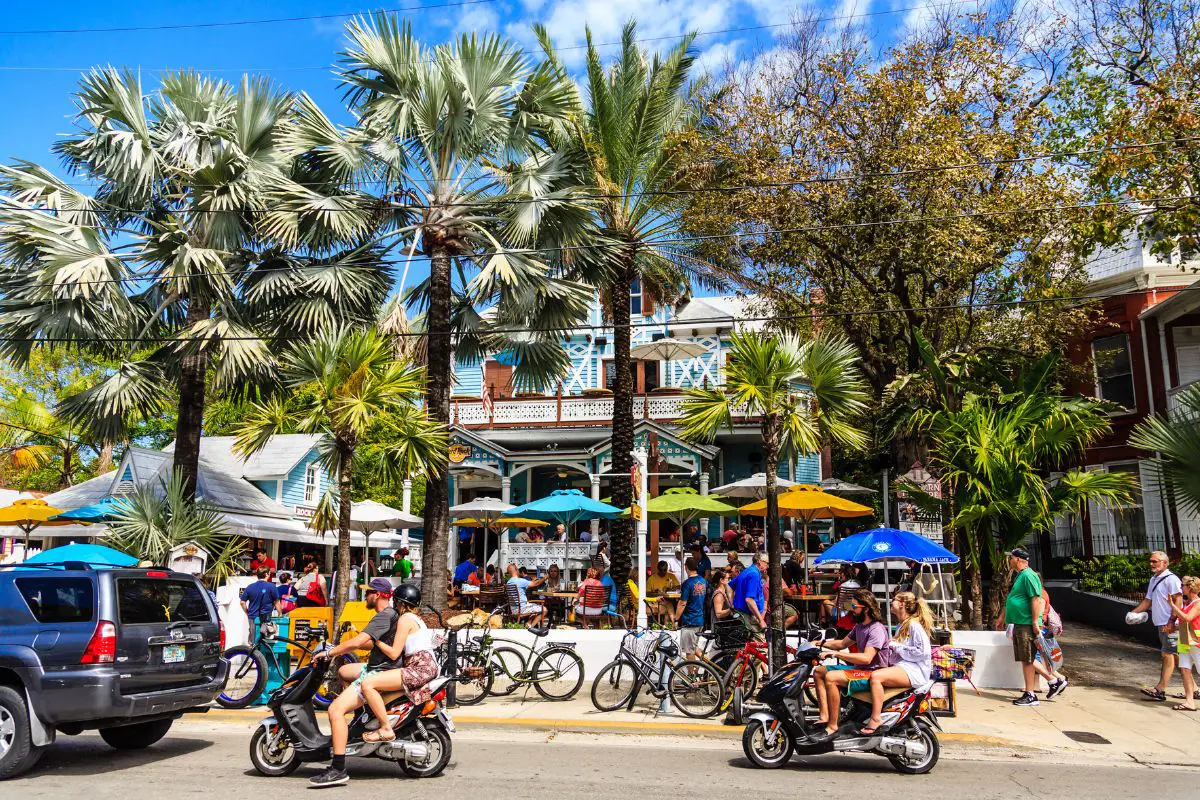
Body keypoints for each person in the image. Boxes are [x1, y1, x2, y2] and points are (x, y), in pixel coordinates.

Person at [308, 579, 402, 788]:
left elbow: (360, 642)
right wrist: (349, 641)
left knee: (335, 711)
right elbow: (369, 642)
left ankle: (338, 769)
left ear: (377, 594)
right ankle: (360, 716)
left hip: (378, 672)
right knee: (343, 671)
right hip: (378, 667)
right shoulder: (390, 615)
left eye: (368, 592)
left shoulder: (383, 615)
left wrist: (330, 652)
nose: (365, 595)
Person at [358, 583, 440, 744]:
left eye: (396, 602)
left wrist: (377, 641)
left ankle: (385, 728)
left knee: (368, 684)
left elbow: (394, 652)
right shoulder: (417, 619)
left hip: (419, 667)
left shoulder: (404, 619)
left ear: (400, 603)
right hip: (427, 665)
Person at [812, 589, 888, 738]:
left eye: (854, 607)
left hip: (871, 672)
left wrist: (837, 654)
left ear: (865, 609)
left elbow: (867, 658)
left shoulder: (876, 629)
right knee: (819, 672)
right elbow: (841, 643)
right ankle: (824, 717)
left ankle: (833, 726)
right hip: (860, 669)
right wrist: (819, 643)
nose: (851, 611)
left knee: (831, 678)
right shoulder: (859, 626)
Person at [859, 592, 934, 734]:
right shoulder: (902, 625)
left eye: (894, 599)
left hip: (914, 671)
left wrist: (896, 646)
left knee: (876, 677)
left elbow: (922, 652)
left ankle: (875, 719)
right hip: (904, 667)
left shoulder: (913, 625)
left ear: (902, 604)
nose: (891, 602)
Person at [1130, 551, 1183, 702]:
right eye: (1151, 561)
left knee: (1167, 655)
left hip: (1170, 625)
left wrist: (1172, 621)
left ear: (1165, 563)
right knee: (1177, 657)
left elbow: (1178, 601)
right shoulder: (1154, 579)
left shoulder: (1171, 579)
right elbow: (1148, 601)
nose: (1152, 564)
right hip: (1162, 624)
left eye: (1155, 561)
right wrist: (1132, 613)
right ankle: (1193, 689)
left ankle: (1159, 689)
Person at [995, 546, 1044, 707]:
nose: (1009, 561)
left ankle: (1030, 694)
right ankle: (1029, 692)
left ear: (1018, 559)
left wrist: (1035, 621)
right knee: (1025, 658)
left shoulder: (1029, 576)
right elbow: (1013, 599)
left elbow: (1036, 599)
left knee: (1028, 658)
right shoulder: (1021, 576)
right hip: (1019, 623)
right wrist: (1003, 617)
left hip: (1026, 623)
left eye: (1011, 558)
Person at [1170, 576, 1200, 712]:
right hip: (1185, 639)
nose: (1181, 588)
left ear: (1190, 588)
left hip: (1196, 641)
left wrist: (1172, 606)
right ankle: (1189, 702)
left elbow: (1187, 618)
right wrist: (1174, 628)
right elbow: (1186, 623)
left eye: (1183, 586)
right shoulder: (1188, 603)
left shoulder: (1198, 604)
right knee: (1185, 669)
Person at [675, 558, 708, 658]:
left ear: (686, 567)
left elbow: (682, 603)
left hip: (690, 620)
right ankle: (710, 667)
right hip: (700, 619)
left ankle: (691, 673)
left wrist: (676, 619)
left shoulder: (687, 583)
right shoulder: (703, 581)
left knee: (689, 651)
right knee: (694, 648)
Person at [731, 553, 767, 630]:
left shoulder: (747, 571)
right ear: (759, 562)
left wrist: (731, 603)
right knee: (759, 642)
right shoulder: (754, 574)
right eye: (767, 563)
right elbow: (749, 600)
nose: (768, 566)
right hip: (749, 616)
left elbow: (729, 585)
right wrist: (761, 620)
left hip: (742, 614)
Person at [240, 568, 281, 635]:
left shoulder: (250, 587)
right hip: (266, 616)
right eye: (269, 573)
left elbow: (242, 602)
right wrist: (280, 613)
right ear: (266, 574)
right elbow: (276, 602)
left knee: (253, 636)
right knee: (265, 637)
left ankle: (253, 645)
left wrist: (247, 612)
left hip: (252, 616)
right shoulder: (272, 586)